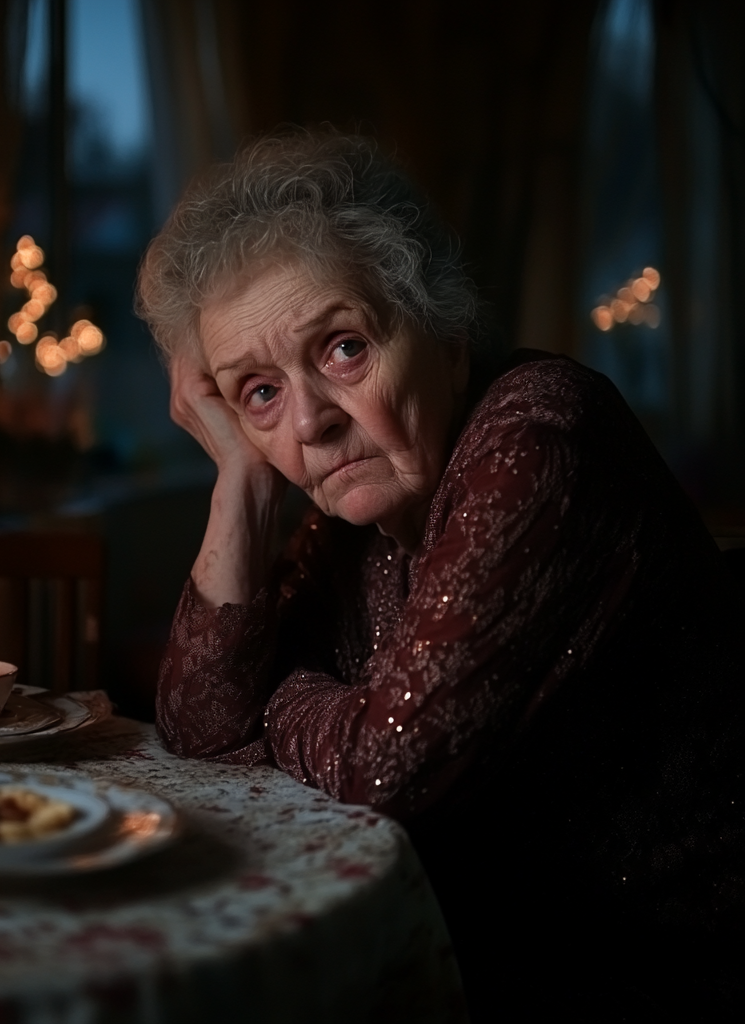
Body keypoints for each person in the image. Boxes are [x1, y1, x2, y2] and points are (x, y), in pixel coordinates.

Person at [135, 132, 745, 1022]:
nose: (309, 424)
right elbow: (197, 722)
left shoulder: (537, 440)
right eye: (258, 392)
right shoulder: (362, 511)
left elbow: (385, 769)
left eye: (343, 348)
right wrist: (239, 479)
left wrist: (283, 699)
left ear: (448, 335)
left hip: (653, 968)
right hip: (486, 936)